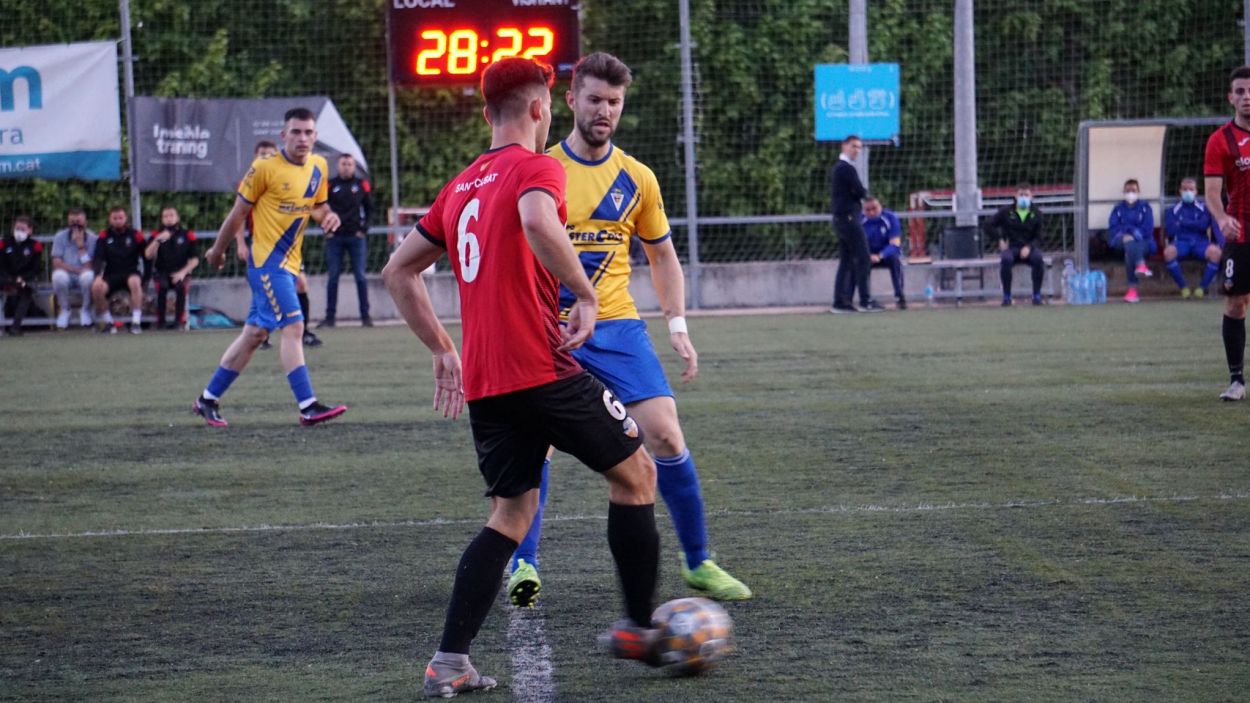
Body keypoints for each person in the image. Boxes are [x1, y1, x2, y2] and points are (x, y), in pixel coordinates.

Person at [381, 57, 663, 697]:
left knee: (510, 515)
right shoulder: (538, 168)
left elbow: (397, 271)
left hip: (487, 383)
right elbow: (537, 220)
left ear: (486, 113)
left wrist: (442, 347)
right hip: (542, 368)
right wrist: (584, 293)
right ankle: (640, 628)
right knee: (638, 474)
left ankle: (449, 661)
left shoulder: (460, 186)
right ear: (541, 109)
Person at [506, 51, 750, 609]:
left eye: (614, 102)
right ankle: (524, 563)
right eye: (594, 99)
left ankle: (698, 562)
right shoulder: (540, 169)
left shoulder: (637, 178)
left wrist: (677, 324)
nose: (604, 111)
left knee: (665, 434)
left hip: (616, 326)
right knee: (536, 444)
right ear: (571, 100)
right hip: (548, 328)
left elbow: (662, 256)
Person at [195, 107, 347, 427]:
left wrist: (328, 216)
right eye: (296, 132)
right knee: (294, 326)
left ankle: (207, 399)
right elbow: (237, 214)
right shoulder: (264, 168)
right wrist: (218, 251)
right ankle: (308, 406)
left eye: (308, 132)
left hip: (290, 264)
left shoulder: (319, 166)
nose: (302, 138)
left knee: (254, 334)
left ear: (316, 136)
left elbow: (318, 207)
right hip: (266, 263)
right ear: (283, 135)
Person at [238, 140, 323, 348]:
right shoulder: (252, 180)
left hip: (288, 247)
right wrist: (240, 243)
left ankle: (304, 332)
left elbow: (309, 206)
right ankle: (263, 334)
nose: (265, 157)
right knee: (263, 289)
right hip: (262, 246)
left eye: (269, 154)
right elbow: (238, 216)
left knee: (301, 284)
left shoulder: (289, 176)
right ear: (255, 157)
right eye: (261, 154)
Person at [1204, 65, 1250, 402]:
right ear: (1230, 98)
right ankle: (1237, 381)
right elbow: (1211, 191)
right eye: (1240, 91)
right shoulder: (1220, 140)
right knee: (1235, 304)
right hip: (1241, 233)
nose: (1247, 97)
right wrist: (1221, 218)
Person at [830, 135, 885, 313]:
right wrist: (870, 199)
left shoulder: (840, 168)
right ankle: (865, 300)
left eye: (859, 147)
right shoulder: (845, 168)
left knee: (846, 261)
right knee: (863, 257)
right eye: (853, 146)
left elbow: (853, 191)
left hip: (841, 219)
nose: (857, 150)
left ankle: (840, 302)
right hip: (849, 219)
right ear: (844, 146)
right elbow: (860, 190)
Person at [321, 153, 373, 327]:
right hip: (335, 237)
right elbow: (320, 208)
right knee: (333, 276)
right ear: (338, 166)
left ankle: (365, 317)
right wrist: (326, 230)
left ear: (354, 166)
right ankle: (330, 318)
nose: (346, 167)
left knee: (360, 276)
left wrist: (363, 230)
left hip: (355, 237)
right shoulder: (329, 184)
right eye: (343, 164)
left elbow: (370, 209)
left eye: (350, 164)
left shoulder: (361, 184)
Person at [1163, 177, 1223, 298]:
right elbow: (1170, 230)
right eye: (1185, 189)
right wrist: (1194, 224)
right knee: (1168, 253)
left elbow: (1203, 225)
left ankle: (1201, 288)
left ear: (1196, 191)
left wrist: (1182, 223)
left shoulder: (1204, 208)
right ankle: (1183, 288)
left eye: (1191, 189)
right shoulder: (1172, 210)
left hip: (1200, 243)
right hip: (1181, 242)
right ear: (1180, 191)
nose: (1188, 192)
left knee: (1216, 253)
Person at [90, 206, 146, 334]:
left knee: (135, 282)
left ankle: (136, 322)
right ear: (110, 220)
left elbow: (146, 256)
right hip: (111, 274)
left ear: (126, 218)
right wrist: (97, 276)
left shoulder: (136, 235)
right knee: (96, 288)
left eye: (120, 218)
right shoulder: (104, 236)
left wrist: (147, 277)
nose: (118, 221)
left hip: (131, 272)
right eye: (114, 218)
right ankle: (109, 323)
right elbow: (98, 258)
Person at [144, 206, 200, 330]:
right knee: (162, 287)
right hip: (161, 272)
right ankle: (161, 322)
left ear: (177, 218)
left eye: (171, 215)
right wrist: (158, 240)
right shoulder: (156, 234)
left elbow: (195, 260)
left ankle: (179, 322)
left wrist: (182, 273)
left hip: (181, 272)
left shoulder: (187, 235)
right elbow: (148, 255)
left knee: (180, 287)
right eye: (165, 216)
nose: (169, 219)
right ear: (162, 219)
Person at [992, 183, 1045, 306]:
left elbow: (1040, 237)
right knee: (1006, 259)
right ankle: (1007, 296)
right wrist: (999, 239)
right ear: (1015, 196)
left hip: (1029, 249)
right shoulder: (1006, 211)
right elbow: (988, 225)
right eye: (1021, 194)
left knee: (1038, 258)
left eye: (1026, 195)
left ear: (1031, 197)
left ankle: (1036, 296)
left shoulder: (1037, 213)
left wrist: (1029, 247)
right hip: (1012, 247)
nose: (1023, 198)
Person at [1106, 178, 1157, 303]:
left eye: (1133, 190)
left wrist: (1134, 235)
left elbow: (1148, 229)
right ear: (1123, 192)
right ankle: (1141, 264)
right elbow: (1113, 227)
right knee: (1129, 243)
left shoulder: (1145, 207)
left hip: (1144, 242)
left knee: (1130, 251)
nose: (1130, 193)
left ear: (1138, 191)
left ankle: (1132, 291)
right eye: (1128, 190)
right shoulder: (1118, 208)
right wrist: (1129, 232)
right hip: (1121, 240)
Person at [50, 207, 97, 330]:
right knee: (58, 276)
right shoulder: (60, 236)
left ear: (85, 222)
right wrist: (76, 270)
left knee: (89, 276)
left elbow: (90, 266)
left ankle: (85, 310)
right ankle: (65, 309)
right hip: (67, 274)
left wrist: (81, 247)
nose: (75, 226)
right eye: (72, 222)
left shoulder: (92, 239)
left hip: (84, 275)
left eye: (78, 222)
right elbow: (57, 263)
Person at [862, 196, 906, 309]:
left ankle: (899, 296)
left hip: (885, 255)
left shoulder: (890, 218)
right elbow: (855, 244)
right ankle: (865, 299)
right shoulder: (860, 220)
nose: (871, 212)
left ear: (880, 207)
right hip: (868, 256)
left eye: (874, 208)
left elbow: (895, 244)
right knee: (856, 263)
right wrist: (867, 256)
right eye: (868, 210)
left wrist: (880, 255)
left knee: (895, 259)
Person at [0, 216, 43, 335]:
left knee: (27, 290)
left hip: (24, 279)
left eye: (23, 229)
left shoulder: (35, 245)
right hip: (6, 277)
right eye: (17, 228)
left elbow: (36, 268)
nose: (19, 232)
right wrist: (9, 278)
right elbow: (1, 265)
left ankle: (15, 327)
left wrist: (22, 278)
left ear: (30, 231)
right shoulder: (4, 243)